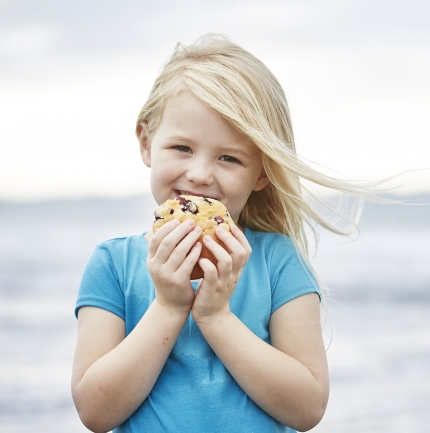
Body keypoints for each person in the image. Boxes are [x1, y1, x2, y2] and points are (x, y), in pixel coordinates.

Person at [71, 35, 372, 432]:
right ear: (146, 143)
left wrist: (216, 316)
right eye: (181, 147)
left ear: (262, 171)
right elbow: (95, 411)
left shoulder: (277, 261)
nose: (199, 174)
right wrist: (168, 307)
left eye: (229, 158)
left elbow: (307, 408)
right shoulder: (113, 263)